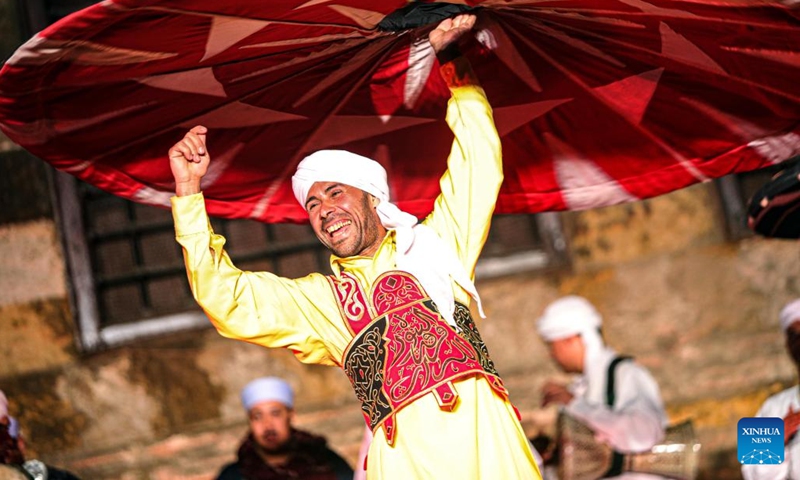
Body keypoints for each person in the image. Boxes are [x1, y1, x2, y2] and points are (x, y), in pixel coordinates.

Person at [169, 13, 540, 480]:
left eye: (335, 193)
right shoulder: (321, 302)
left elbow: (478, 160)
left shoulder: (436, 246)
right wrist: (189, 192)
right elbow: (227, 298)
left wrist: (451, 61)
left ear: (373, 199)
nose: (324, 209)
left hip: (492, 453)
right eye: (313, 204)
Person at [535, 296, 668, 479]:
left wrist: (576, 405)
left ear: (571, 340)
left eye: (552, 345)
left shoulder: (626, 374)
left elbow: (643, 435)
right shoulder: (580, 388)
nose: (551, 355)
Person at [216, 377, 353, 480]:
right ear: (249, 421)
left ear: (290, 415)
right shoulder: (234, 475)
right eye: (257, 416)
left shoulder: (326, 461)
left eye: (275, 414)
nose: (268, 425)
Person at [742, 299, 800, 480]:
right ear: (788, 346)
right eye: (794, 336)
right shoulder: (770, 408)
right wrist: (776, 441)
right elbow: (749, 474)